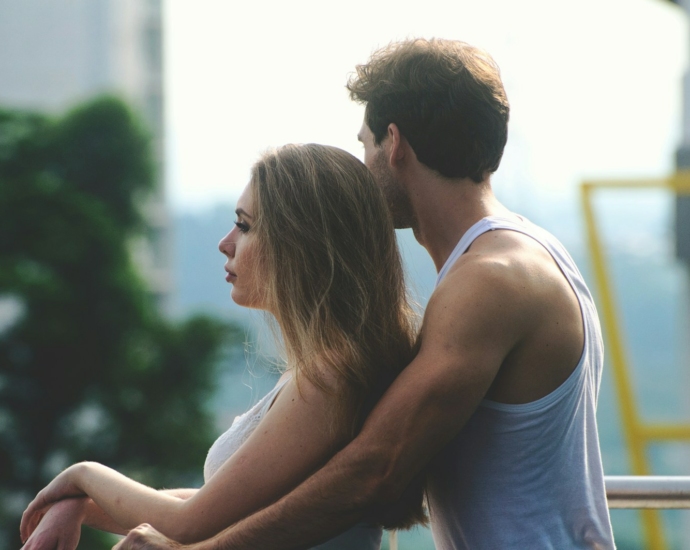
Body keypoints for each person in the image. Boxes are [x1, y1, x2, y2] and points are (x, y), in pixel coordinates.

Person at [112, 38, 617, 549]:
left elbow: (376, 469)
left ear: (393, 143)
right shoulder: (525, 253)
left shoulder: (491, 279)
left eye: (364, 145)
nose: (362, 165)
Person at [19, 144, 428, 550]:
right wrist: (79, 504)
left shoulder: (330, 376)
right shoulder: (321, 371)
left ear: (299, 245)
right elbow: (214, 507)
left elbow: (188, 525)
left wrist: (82, 475)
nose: (225, 242)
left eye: (245, 226)